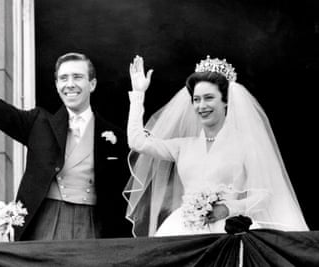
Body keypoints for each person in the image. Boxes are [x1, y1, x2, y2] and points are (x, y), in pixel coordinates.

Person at [0, 6, 131, 241]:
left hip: (96, 226)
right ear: (56, 85)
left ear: (92, 84)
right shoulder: (38, 123)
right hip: (47, 223)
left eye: (77, 77)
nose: (69, 84)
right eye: (63, 78)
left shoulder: (114, 134)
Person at [124, 55, 309, 236]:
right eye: (196, 99)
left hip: (229, 229)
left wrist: (229, 208)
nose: (201, 106)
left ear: (225, 100)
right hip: (184, 227)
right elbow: (137, 142)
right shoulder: (183, 146)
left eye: (209, 98)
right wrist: (138, 95)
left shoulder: (245, 145)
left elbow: (264, 194)